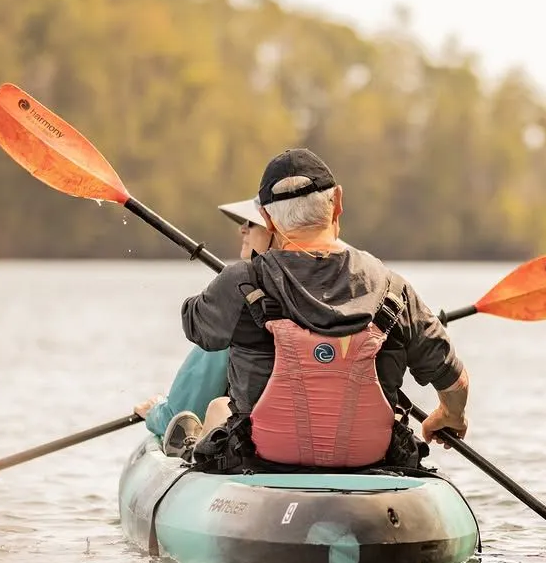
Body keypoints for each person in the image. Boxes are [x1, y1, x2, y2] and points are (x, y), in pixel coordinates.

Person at [175, 148, 469, 473]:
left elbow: (196, 325)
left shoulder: (241, 281)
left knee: (218, 409)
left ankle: (186, 445)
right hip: (373, 460)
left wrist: (237, 285)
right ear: (338, 203)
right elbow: (453, 380)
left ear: (269, 221)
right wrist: (450, 414)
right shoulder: (392, 288)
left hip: (262, 458)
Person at [133, 198, 273, 457]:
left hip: (257, 450)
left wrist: (155, 412)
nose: (242, 229)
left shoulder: (235, 309)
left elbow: (181, 413)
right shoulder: (332, 296)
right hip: (327, 442)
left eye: (252, 223)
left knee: (218, 409)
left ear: (275, 229)